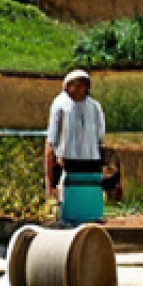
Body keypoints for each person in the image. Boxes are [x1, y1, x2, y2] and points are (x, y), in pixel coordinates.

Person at [46, 69, 105, 221]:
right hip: (68, 161)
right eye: (75, 85)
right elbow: (51, 140)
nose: (79, 89)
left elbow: (100, 136)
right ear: (67, 86)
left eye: (82, 85)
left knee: (89, 202)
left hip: (90, 161)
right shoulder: (60, 105)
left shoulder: (94, 107)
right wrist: (50, 174)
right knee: (69, 203)